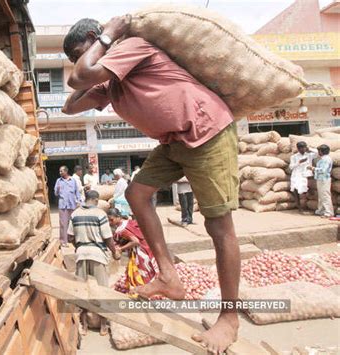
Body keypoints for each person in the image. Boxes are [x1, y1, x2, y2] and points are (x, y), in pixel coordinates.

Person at [62, 17, 240, 351]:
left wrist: (108, 37)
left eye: (77, 53)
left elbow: (80, 76)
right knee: (137, 194)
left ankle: (229, 319)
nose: (78, 61)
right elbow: (70, 105)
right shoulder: (111, 81)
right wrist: (91, 71)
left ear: (92, 36)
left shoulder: (131, 47)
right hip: (174, 142)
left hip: (206, 131)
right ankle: (169, 276)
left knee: (218, 226)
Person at [67, 190, 120, 336]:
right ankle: (103, 326)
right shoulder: (100, 214)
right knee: (103, 291)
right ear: (96, 200)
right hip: (97, 254)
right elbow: (108, 238)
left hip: (81, 254)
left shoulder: (75, 213)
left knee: (83, 291)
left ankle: (84, 326)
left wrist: (79, 246)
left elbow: (70, 237)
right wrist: (114, 252)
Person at [107, 208, 158, 293]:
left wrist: (120, 249)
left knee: (141, 272)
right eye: (108, 220)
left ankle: (143, 292)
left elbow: (135, 241)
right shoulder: (128, 222)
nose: (110, 222)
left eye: (111, 220)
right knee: (149, 270)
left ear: (118, 217)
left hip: (141, 252)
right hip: (147, 248)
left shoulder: (122, 229)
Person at [54, 166, 80, 247]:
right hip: (63, 205)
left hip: (72, 205)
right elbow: (56, 193)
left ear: (66, 171)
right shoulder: (58, 181)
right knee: (63, 224)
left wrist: (80, 201)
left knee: (73, 223)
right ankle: (63, 241)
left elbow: (77, 192)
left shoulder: (73, 180)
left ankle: (72, 239)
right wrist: (57, 189)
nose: (60, 173)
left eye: (61, 171)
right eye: (59, 171)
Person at [289, 141, 317, 213]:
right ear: (298, 149)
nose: (303, 149)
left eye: (304, 147)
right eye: (301, 148)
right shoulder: (294, 157)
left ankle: (307, 205)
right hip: (297, 175)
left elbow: (318, 153)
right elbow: (291, 167)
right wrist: (299, 162)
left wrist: (310, 149)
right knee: (296, 190)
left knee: (306, 190)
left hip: (307, 175)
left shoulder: (309, 155)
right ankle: (299, 207)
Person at [309, 144, 334, 218]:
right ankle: (321, 210)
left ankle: (329, 212)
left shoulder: (326, 159)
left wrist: (313, 168)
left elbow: (323, 170)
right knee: (321, 196)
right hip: (321, 179)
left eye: (319, 151)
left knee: (325, 196)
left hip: (324, 179)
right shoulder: (323, 158)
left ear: (321, 151)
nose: (318, 152)